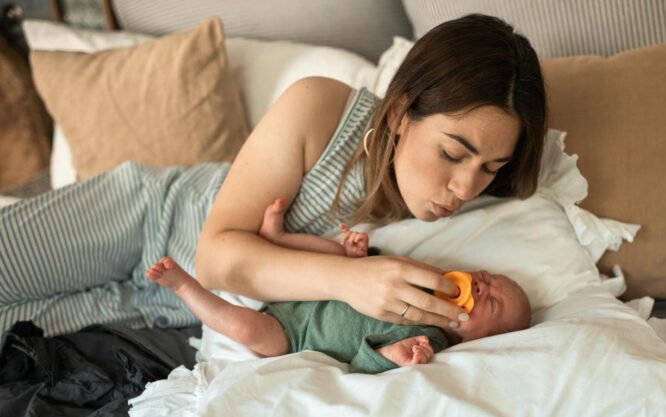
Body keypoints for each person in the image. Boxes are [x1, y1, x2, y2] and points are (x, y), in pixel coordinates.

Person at [0, 14, 546, 343]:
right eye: (452, 154)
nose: (465, 188)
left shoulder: (477, 219)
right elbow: (216, 257)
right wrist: (350, 280)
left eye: (490, 168)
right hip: (145, 218)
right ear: (402, 112)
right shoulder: (323, 108)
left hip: (168, 309)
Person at [145, 199, 532, 373]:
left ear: (478, 340)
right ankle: (278, 239)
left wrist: (393, 355)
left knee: (246, 328)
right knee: (332, 253)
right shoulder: (426, 277)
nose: (482, 287)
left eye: (491, 303)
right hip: (314, 288)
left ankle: (185, 288)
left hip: (292, 334)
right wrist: (358, 256)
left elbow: (361, 365)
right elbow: (376, 272)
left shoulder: (429, 342)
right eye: (487, 279)